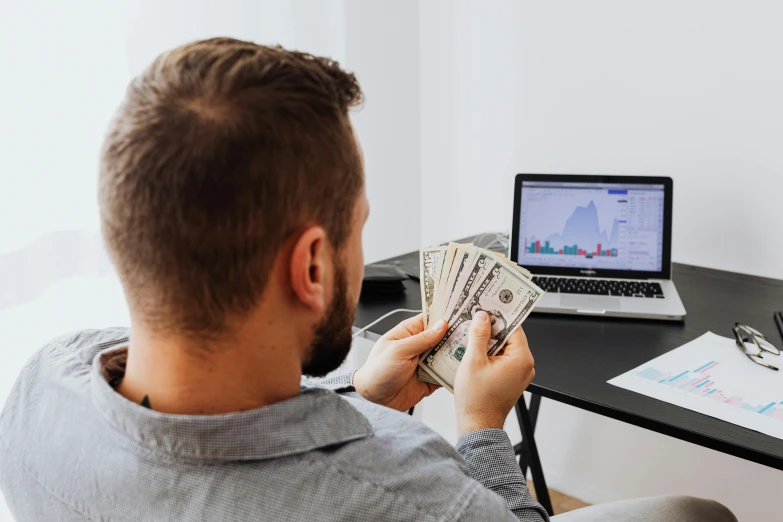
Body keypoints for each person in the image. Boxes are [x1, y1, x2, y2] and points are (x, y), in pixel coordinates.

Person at [0, 38, 735, 522]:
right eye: (360, 227)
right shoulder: (408, 497)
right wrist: (480, 428)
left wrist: (358, 396)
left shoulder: (40, 382)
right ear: (312, 266)